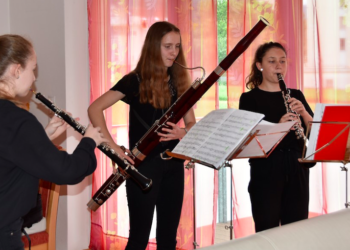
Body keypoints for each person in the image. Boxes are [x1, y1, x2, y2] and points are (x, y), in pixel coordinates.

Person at [88, 21, 196, 250]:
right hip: (142, 166)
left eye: (177, 46)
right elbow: (94, 109)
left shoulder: (179, 82)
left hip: (174, 164)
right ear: (153, 47)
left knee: (168, 238)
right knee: (139, 238)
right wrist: (114, 150)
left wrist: (183, 132)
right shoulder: (134, 80)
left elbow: (191, 122)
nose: (174, 52)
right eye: (168, 46)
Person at [0, 34, 108, 250]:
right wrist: (88, 142)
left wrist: (43, 136)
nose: (33, 78)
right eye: (33, 69)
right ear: (16, 70)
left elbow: (9, 155)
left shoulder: (10, 120)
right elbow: (66, 171)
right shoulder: (17, 119)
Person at [239, 42, 313, 233]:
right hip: (266, 170)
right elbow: (248, 140)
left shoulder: (296, 95)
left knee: (297, 231)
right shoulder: (249, 99)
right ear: (259, 66)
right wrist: (279, 127)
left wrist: (304, 113)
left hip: (298, 167)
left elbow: (315, 131)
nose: (278, 66)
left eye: (282, 61)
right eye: (272, 61)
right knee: (267, 230)